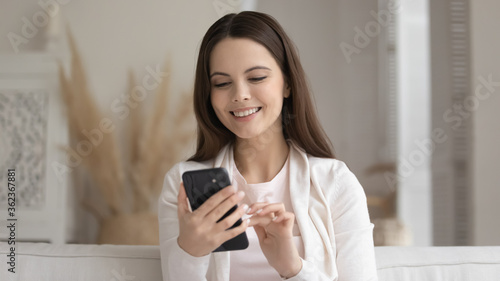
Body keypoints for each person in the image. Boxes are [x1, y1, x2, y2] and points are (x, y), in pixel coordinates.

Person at [158, 11, 378, 281]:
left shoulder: (335, 183)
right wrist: (190, 254)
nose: (239, 95)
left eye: (257, 77)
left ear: (286, 84)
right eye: (222, 83)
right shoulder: (182, 184)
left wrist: (292, 268)